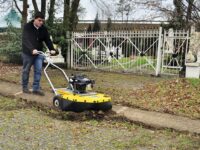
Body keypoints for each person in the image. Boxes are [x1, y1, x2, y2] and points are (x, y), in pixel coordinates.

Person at [22, 12, 58, 96]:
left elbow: (47, 40)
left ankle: (36, 88)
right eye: (39, 20)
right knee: (26, 70)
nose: (41, 22)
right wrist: (32, 49)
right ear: (35, 19)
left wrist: (52, 49)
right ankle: (24, 87)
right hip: (28, 53)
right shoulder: (27, 27)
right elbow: (25, 39)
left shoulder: (43, 29)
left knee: (38, 70)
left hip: (39, 53)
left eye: (42, 21)